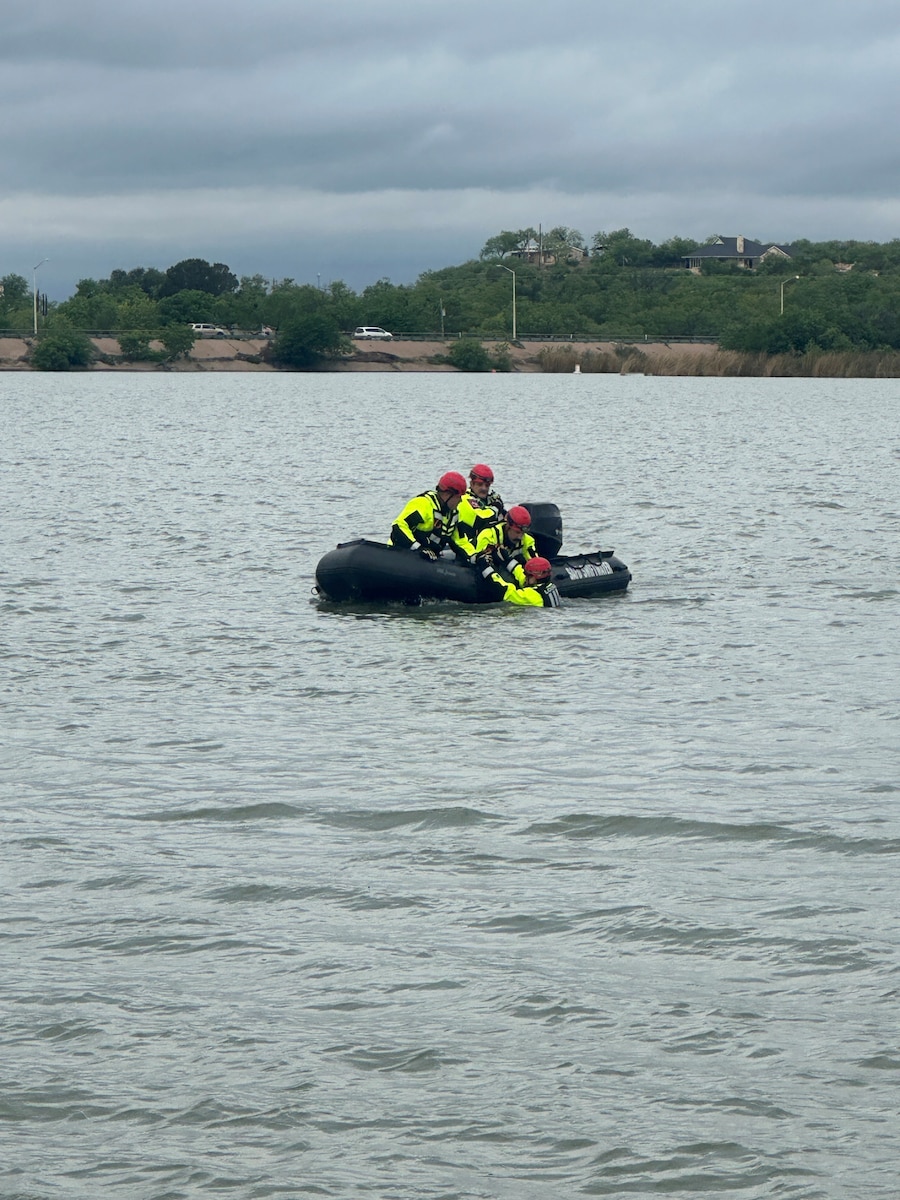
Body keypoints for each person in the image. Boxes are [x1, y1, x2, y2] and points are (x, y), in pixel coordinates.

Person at [389, 471, 475, 560]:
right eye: (458, 497)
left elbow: (461, 542)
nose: (460, 501)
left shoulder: (453, 516)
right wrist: (418, 548)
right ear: (447, 494)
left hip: (429, 560)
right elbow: (399, 526)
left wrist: (476, 558)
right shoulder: (423, 504)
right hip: (401, 554)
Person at [473, 504, 537, 586]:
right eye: (517, 532)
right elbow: (481, 565)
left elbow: (536, 566)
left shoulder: (527, 540)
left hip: (511, 566)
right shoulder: (489, 535)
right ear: (508, 526)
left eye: (523, 533)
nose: (520, 537)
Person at [456, 463, 506, 550]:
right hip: (470, 546)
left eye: (487, 485)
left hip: (490, 543)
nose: (484, 489)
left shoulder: (489, 499)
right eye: (480, 484)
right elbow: (482, 519)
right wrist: (497, 506)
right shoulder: (465, 499)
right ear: (472, 484)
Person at [487, 556, 561, 607]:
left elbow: (507, 592)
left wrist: (487, 568)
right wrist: (507, 559)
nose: (525, 578)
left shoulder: (533, 595)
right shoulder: (550, 585)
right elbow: (522, 576)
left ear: (535, 576)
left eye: (527, 575)